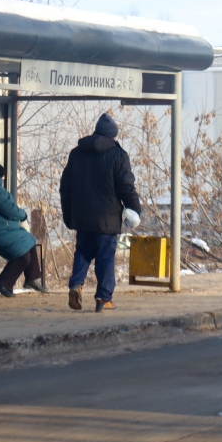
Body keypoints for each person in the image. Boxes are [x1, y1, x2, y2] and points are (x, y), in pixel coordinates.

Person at [60, 113, 141, 312]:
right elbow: (126, 187)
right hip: (107, 217)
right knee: (105, 257)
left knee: (83, 252)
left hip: (83, 216)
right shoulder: (118, 155)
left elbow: (65, 186)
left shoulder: (76, 153)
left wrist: (70, 214)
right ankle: (103, 298)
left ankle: (76, 284)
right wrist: (134, 209)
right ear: (113, 135)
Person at [0, 162, 48, 297]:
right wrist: (23, 215)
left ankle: (31, 279)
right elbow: (9, 209)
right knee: (23, 255)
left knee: (29, 240)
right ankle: (2, 284)